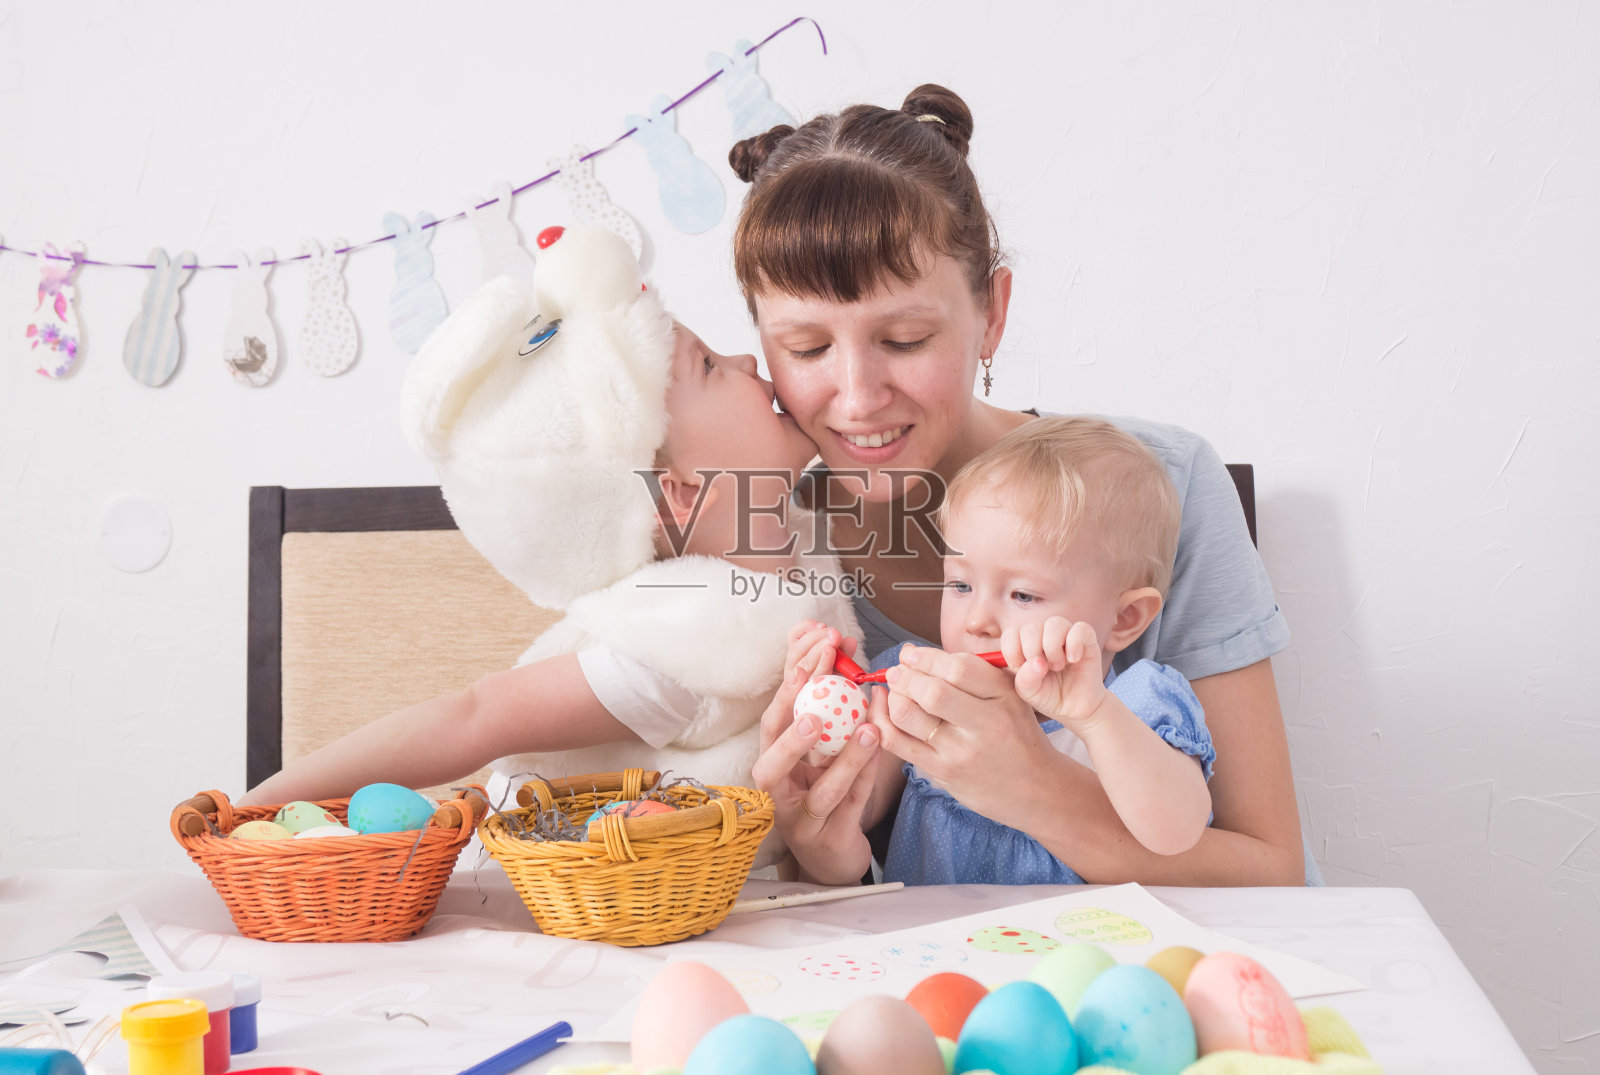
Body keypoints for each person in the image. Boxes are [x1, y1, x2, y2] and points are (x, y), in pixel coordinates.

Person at [737, 85, 1313, 886]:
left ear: (993, 313)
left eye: (904, 338)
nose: (858, 395)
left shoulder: (1159, 484)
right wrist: (811, 834)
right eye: (804, 348)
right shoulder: (755, 545)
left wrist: (1034, 788)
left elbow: (1274, 873)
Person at [240, 252, 864, 811]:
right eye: (709, 366)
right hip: (560, 906)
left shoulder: (807, 550)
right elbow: (473, 717)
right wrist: (260, 805)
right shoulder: (672, 642)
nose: (747, 358)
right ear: (677, 490)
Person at [774, 418, 1217, 885]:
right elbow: (849, 831)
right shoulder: (915, 692)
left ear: (1124, 619)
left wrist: (1094, 716)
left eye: (1023, 596)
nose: (976, 621)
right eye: (961, 584)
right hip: (940, 952)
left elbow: (1177, 835)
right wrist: (824, 736)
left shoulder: (1138, 702)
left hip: (1083, 950)